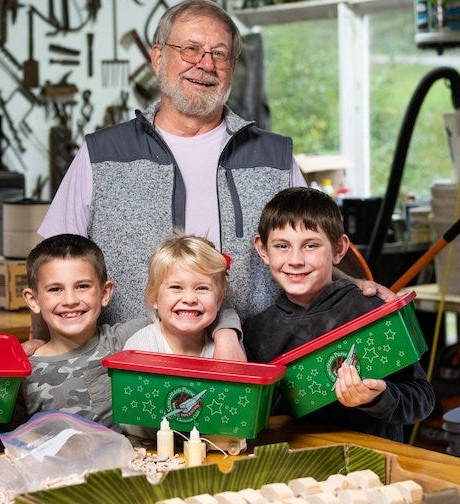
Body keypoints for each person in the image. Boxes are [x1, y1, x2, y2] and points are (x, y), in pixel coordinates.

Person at [36, 0, 390, 359]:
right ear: (157, 59)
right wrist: (44, 344)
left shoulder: (273, 156)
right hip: (129, 374)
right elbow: (50, 263)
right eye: (190, 49)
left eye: (218, 54)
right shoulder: (101, 153)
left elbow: (309, 246)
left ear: (232, 68)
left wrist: (354, 285)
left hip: (253, 366)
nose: (205, 64)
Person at [244, 187, 435, 442]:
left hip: (372, 465)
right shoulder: (257, 332)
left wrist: (378, 398)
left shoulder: (371, 313)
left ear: (338, 248)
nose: (295, 260)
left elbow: (423, 399)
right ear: (262, 249)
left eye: (311, 245)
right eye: (282, 246)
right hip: (299, 470)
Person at [0, 234, 145, 451]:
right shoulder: (22, 374)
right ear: (33, 300)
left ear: (105, 293)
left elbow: (178, 319)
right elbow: (3, 452)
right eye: (55, 289)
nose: (70, 300)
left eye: (83, 286)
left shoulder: (126, 341)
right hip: (54, 479)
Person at [124, 234, 240, 358]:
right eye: (176, 287)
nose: (189, 299)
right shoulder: (141, 346)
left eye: (202, 288)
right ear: (154, 297)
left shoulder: (226, 348)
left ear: (219, 300)